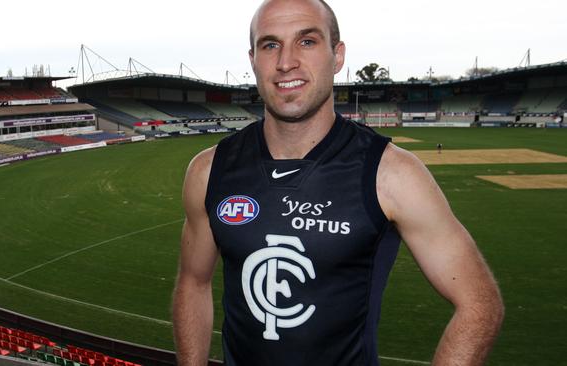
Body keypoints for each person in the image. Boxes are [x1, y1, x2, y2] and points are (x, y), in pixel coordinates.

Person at [172, 0, 504, 365]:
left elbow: (479, 302)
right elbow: (194, 282)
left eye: (307, 41)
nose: (286, 62)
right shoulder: (209, 170)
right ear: (253, 59)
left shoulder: (392, 174)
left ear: (338, 54)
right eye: (270, 45)